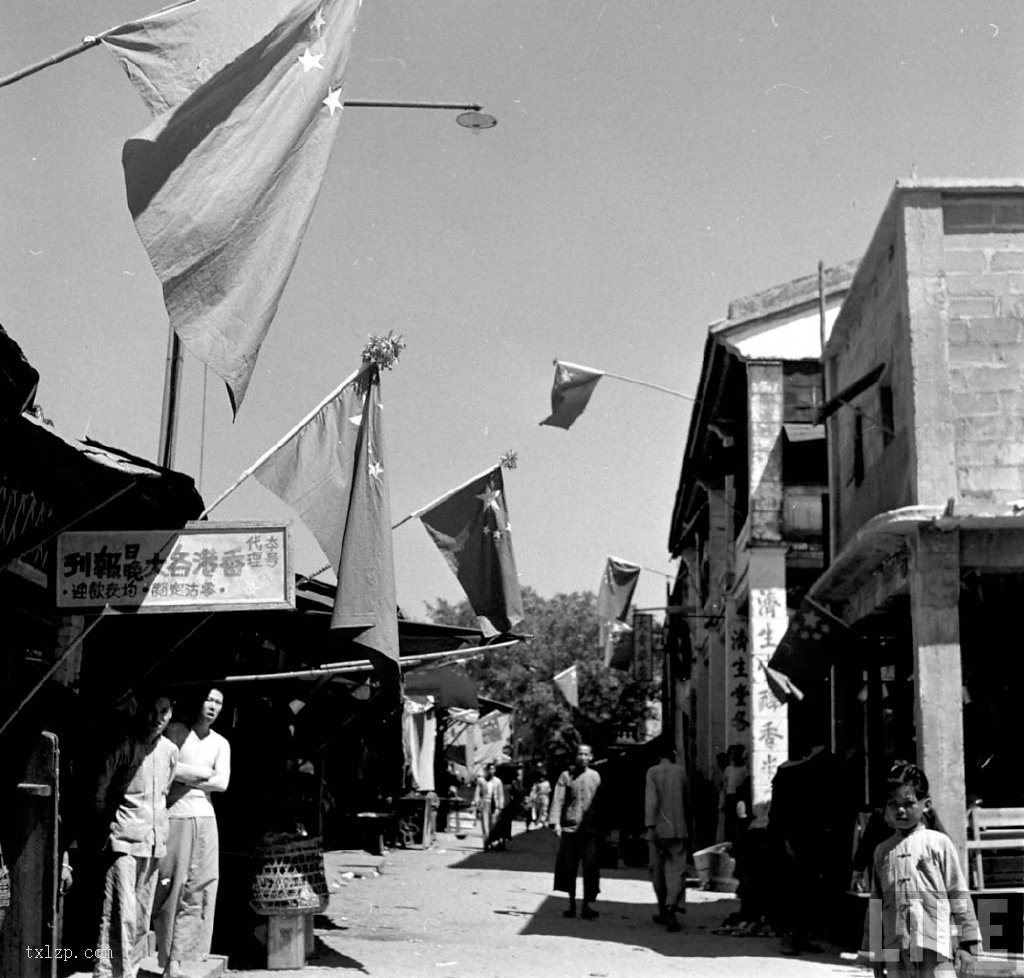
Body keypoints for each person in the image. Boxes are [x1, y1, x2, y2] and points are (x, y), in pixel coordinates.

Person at [89, 690, 178, 978]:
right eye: (152, 711)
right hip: (123, 840)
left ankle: (130, 971)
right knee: (119, 916)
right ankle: (108, 974)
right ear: (140, 710)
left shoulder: (170, 752)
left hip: (153, 844)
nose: (157, 719)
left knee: (139, 920)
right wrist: (107, 833)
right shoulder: (125, 746)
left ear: (171, 713)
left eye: (164, 712)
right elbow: (100, 793)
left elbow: (164, 793)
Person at [863, 760, 981, 978]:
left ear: (926, 804)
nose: (900, 810)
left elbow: (958, 893)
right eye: (892, 803)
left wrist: (967, 944)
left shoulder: (939, 844)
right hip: (896, 949)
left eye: (908, 803)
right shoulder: (882, 851)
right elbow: (876, 904)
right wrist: (875, 954)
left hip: (934, 946)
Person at [152, 687, 231, 978]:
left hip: (206, 818)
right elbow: (167, 767)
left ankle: (181, 959)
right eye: (209, 700)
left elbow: (222, 783)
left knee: (200, 887)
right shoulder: (175, 731)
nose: (213, 706)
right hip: (176, 814)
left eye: (219, 702)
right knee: (169, 886)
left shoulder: (221, 743)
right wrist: (202, 774)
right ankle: (166, 957)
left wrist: (187, 775)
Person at [549, 743, 602, 920]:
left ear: (591, 757)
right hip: (570, 829)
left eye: (586, 754)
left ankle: (587, 905)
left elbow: (602, 803)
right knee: (568, 869)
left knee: (591, 869)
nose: (582, 757)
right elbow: (558, 800)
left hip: (590, 831)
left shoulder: (595, 777)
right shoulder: (566, 776)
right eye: (579, 754)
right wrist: (555, 823)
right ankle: (571, 904)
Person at [644, 741, 688, 932]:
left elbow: (651, 801)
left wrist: (651, 826)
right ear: (674, 755)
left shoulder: (652, 772)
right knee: (676, 870)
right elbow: (687, 800)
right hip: (679, 828)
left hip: (658, 828)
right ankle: (672, 906)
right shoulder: (681, 772)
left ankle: (663, 908)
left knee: (657, 871)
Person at [472, 762, 505, 851]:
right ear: (487, 770)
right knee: (485, 825)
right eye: (490, 769)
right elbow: (477, 793)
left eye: (493, 769)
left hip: (495, 804)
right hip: (485, 804)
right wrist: (476, 802)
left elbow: (500, 794)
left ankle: (491, 841)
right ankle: (486, 843)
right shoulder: (481, 781)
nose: (491, 771)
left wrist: (500, 806)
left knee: (493, 825)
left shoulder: (498, 781)